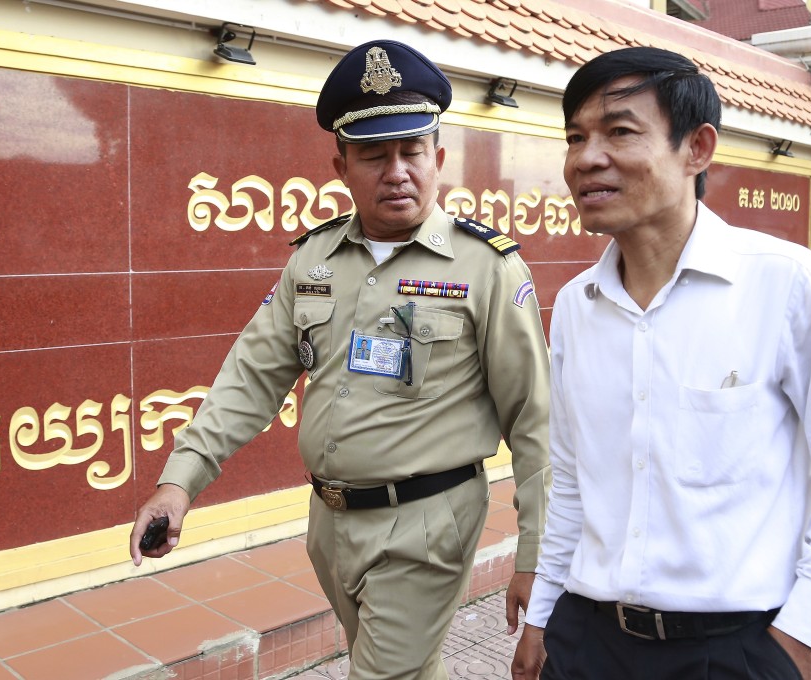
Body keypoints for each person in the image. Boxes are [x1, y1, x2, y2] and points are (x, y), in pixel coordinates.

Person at [129, 39, 551, 679]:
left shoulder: (487, 268)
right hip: (329, 524)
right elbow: (252, 375)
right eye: (374, 156)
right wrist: (180, 481)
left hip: (426, 527)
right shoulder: (314, 261)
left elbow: (532, 419)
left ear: (438, 158)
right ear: (341, 167)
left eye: (412, 152)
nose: (397, 171)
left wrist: (535, 555)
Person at [510, 47, 811, 680]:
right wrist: (543, 618)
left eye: (619, 132)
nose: (586, 158)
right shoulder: (579, 308)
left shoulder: (788, 286)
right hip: (587, 640)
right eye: (576, 137)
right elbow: (575, 483)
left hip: (730, 651)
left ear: (697, 148)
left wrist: (798, 637)